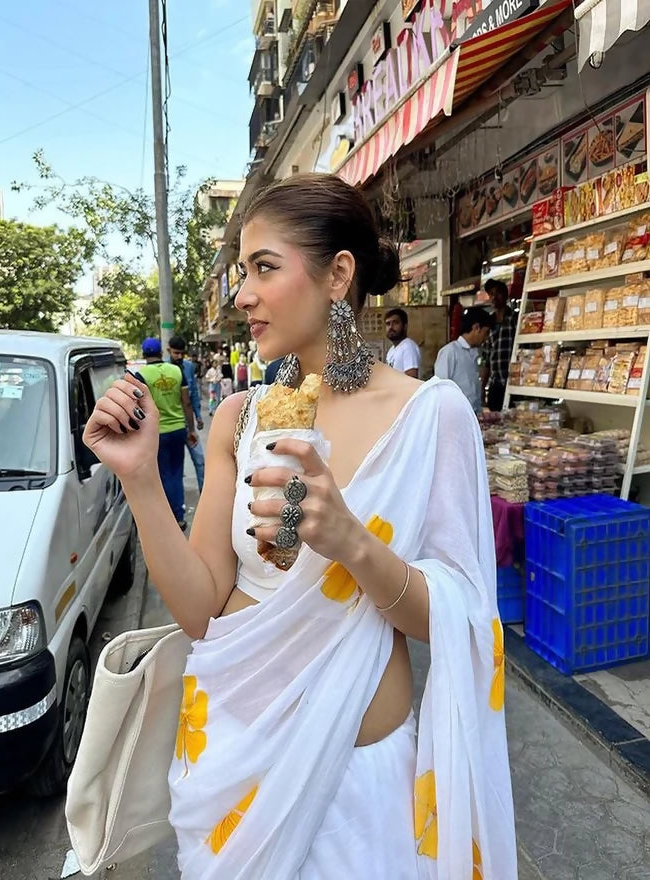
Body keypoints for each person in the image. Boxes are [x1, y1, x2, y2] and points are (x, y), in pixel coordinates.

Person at [82, 173, 516, 879]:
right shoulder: (239, 417)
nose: (242, 294)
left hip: (358, 783)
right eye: (241, 273)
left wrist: (349, 539)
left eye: (264, 268)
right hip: (230, 764)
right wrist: (138, 480)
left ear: (337, 274)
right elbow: (199, 611)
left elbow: (459, 618)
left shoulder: (431, 415)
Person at [134, 338, 197, 531]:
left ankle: (168, 518)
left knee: (163, 475)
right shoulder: (176, 371)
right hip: (178, 429)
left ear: (144, 355)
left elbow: (138, 407)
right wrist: (191, 429)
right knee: (176, 474)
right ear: (162, 352)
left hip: (157, 433)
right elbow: (186, 402)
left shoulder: (141, 375)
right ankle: (178, 515)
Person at [434, 307, 494, 413]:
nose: (487, 337)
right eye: (486, 332)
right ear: (476, 328)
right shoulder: (450, 352)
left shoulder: (475, 353)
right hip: (454, 415)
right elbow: (440, 387)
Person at [169, 335, 205, 493]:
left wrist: (198, 416)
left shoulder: (188, 367)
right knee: (175, 466)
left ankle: (204, 493)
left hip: (188, 422)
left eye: (181, 354)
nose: (178, 356)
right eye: (175, 353)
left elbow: (194, 394)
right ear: (168, 351)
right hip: (172, 425)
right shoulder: (164, 369)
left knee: (200, 460)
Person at [481, 279, 516, 412]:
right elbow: (486, 359)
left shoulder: (514, 318)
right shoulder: (489, 323)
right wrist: (482, 389)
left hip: (513, 382)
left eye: (498, 293)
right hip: (495, 385)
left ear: (505, 296)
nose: (494, 297)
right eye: (491, 294)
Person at [385, 308, 422, 377]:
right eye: (388, 324)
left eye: (395, 323)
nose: (391, 327)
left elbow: (411, 378)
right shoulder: (392, 350)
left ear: (405, 326)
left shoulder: (408, 347)